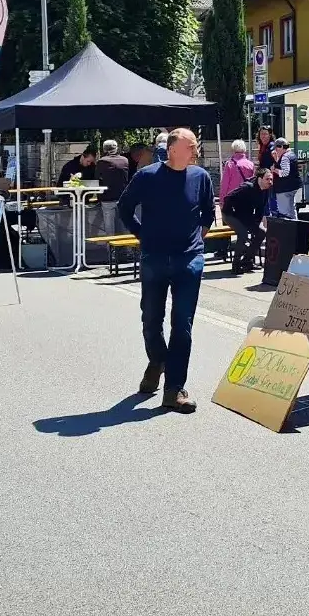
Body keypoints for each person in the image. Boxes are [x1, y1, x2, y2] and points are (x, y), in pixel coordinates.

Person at [117, 128, 215, 413]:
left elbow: (208, 212)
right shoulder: (147, 176)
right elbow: (125, 208)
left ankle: (174, 389)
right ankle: (158, 359)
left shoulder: (201, 178)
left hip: (189, 260)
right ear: (172, 149)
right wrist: (142, 235)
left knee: (182, 324)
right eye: (191, 146)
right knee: (150, 318)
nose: (195, 150)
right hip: (155, 258)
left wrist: (197, 241)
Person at [221, 168, 274, 273]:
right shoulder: (247, 187)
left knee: (261, 233)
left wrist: (256, 224)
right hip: (230, 214)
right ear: (260, 179)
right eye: (267, 179)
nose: (270, 182)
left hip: (246, 216)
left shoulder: (266, 190)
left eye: (271, 179)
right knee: (243, 234)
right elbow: (228, 198)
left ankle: (246, 261)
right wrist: (231, 212)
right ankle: (236, 265)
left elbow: (260, 209)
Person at [269, 138, 301, 219]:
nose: (276, 150)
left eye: (276, 148)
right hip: (293, 187)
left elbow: (285, 172)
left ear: (281, 147)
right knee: (292, 209)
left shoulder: (285, 157)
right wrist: (277, 159)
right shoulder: (292, 155)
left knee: (284, 212)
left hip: (284, 188)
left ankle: (286, 229)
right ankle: (295, 228)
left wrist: (274, 170)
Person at [219, 139, 256, 205]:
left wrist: (222, 200)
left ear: (233, 149)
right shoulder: (250, 164)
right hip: (247, 197)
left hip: (232, 197)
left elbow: (225, 183)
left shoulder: (229, 164)